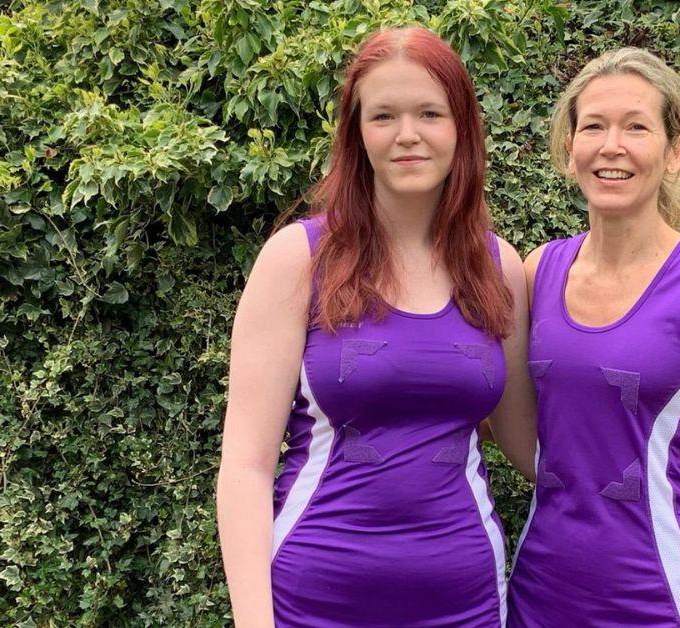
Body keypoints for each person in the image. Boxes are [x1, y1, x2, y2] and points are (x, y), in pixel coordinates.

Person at [216, 27, 535, 628]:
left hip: (466, 604)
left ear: (461, 128)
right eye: (383, 115)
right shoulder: (298, 259)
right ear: (356, 133)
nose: (407, 135)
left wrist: (653, 491)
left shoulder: (501, 268)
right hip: (312, 602)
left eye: (429, 113)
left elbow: (530, 445)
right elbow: (245, 467)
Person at [506, 48, 680, 627]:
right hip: (539, 596)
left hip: (661, 602)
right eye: (592, 126)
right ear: (570, 148)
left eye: (636, 127)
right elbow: (517, 427)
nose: (611, 146)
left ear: (675, 152)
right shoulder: (536, 271)